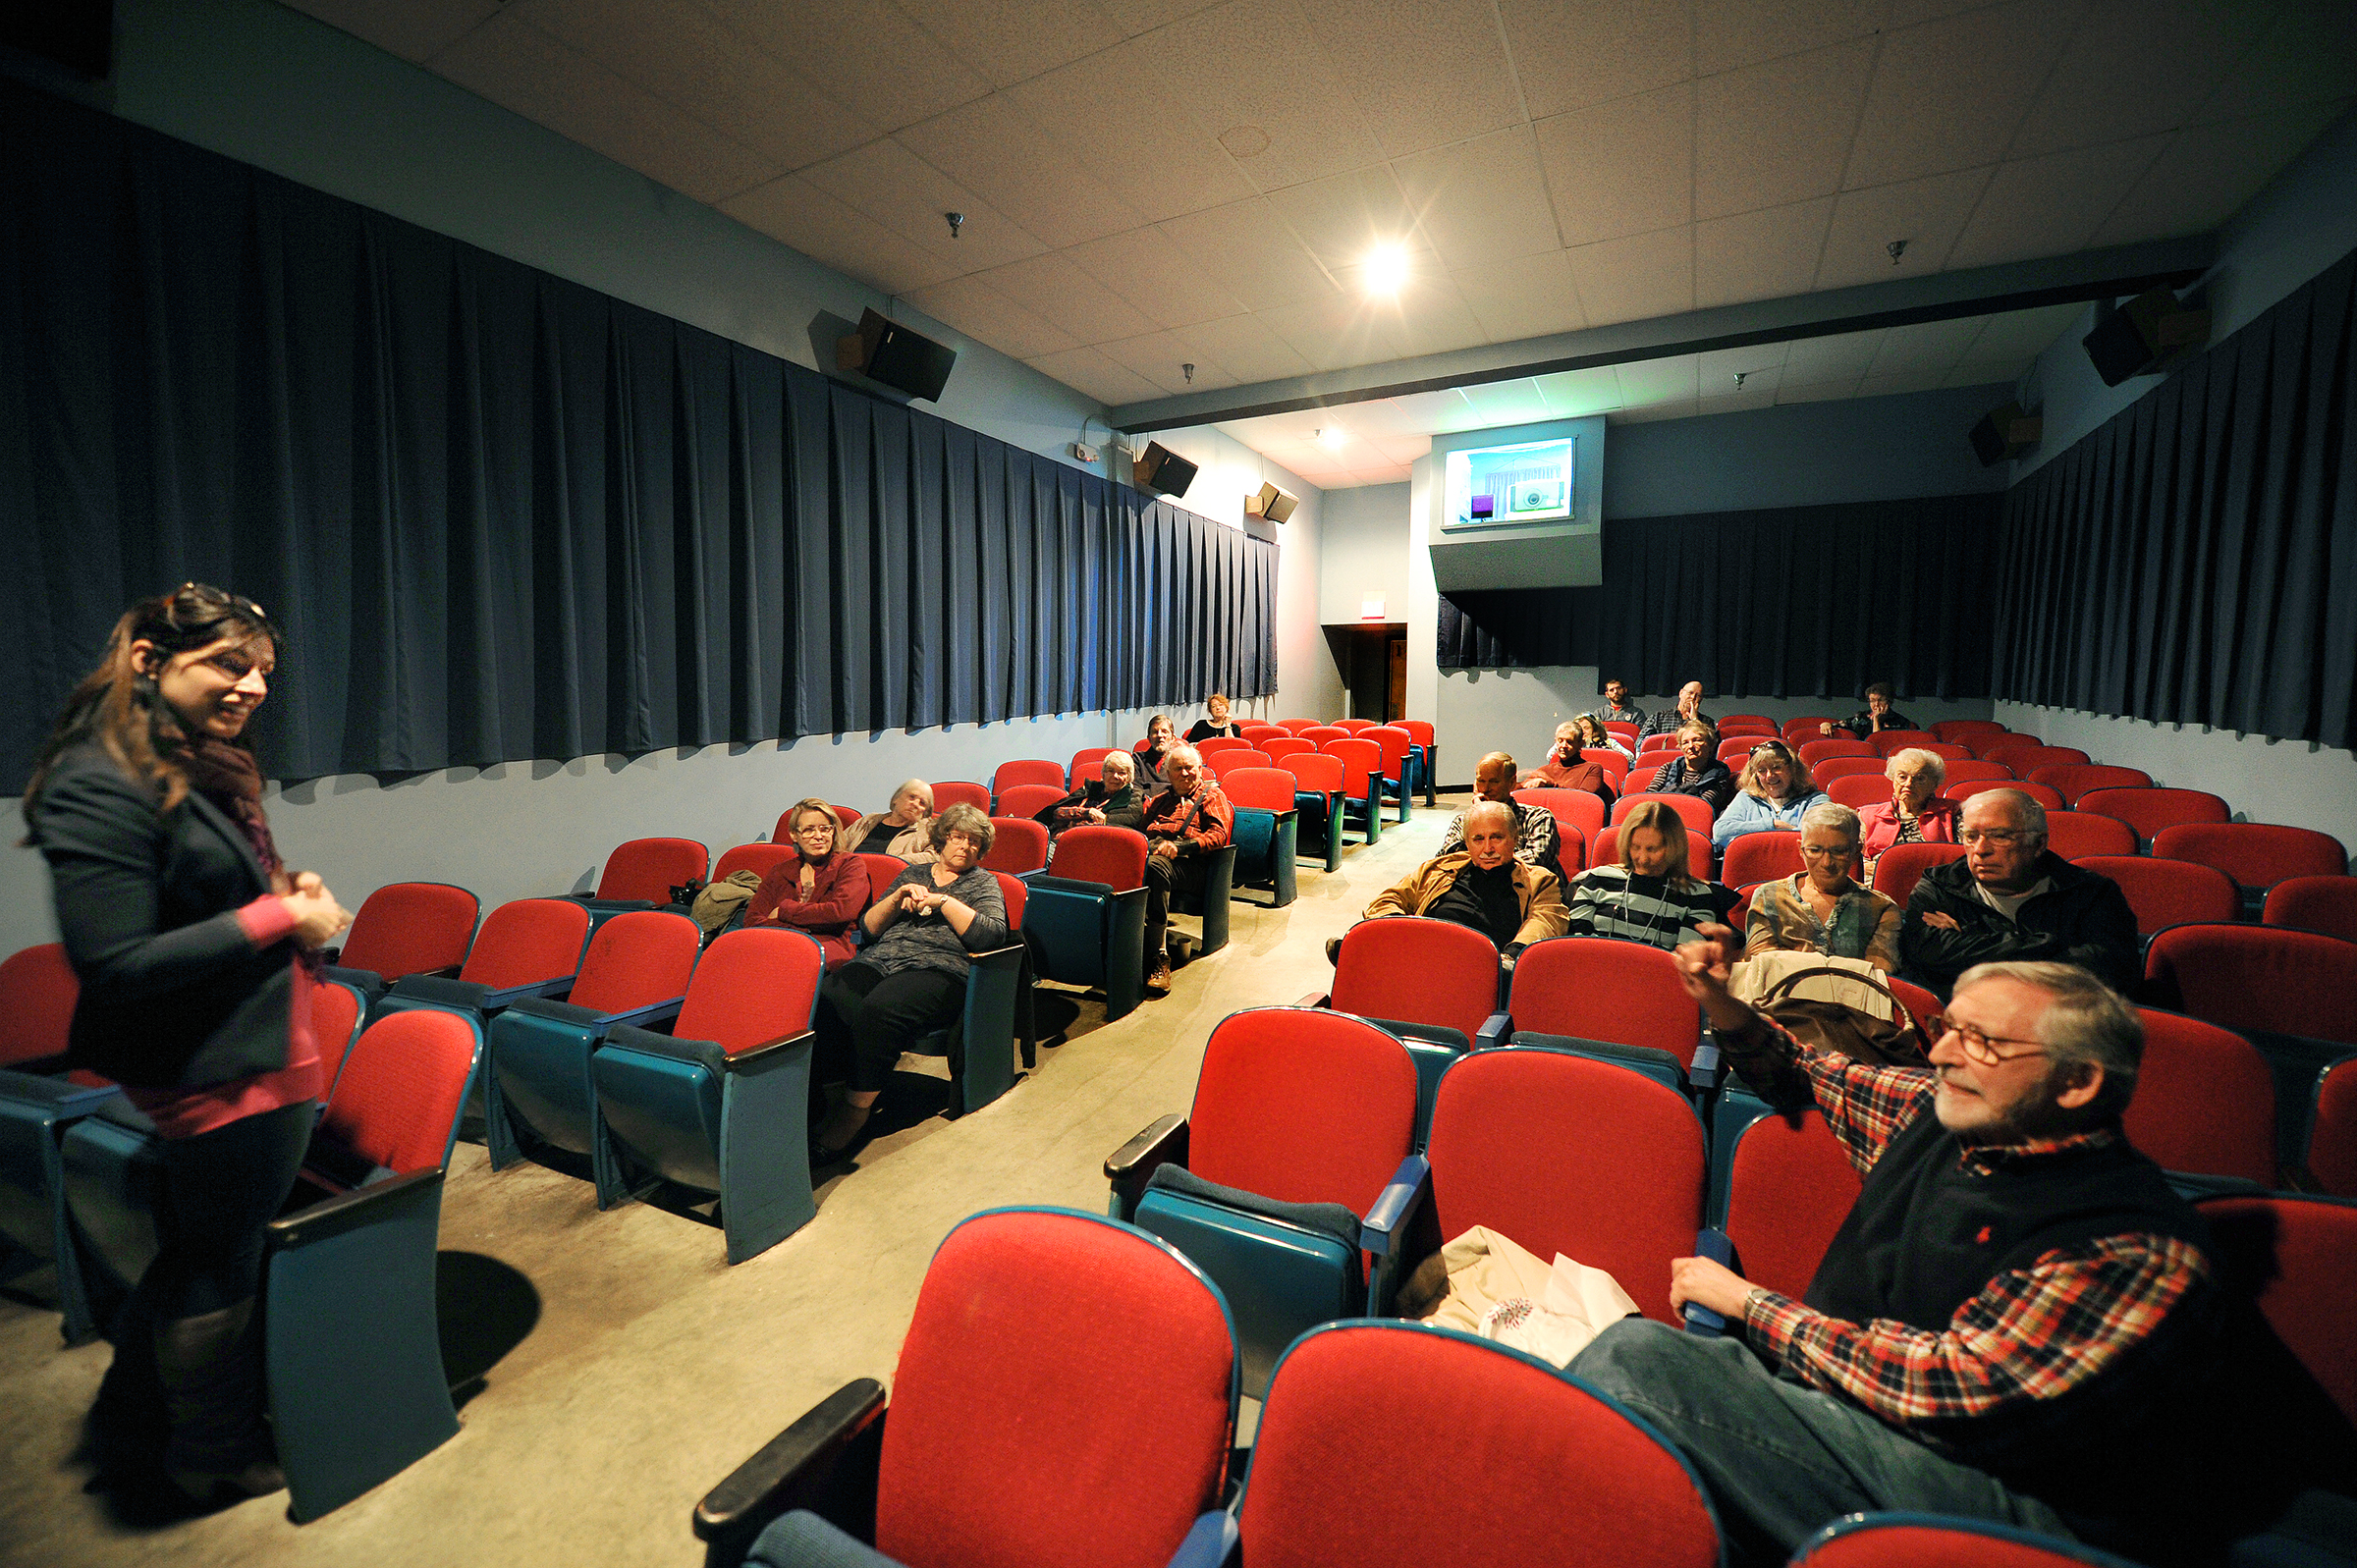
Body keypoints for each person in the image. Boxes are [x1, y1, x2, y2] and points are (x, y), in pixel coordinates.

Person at [1570, 948, 2357, 1568]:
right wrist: (1722, 1003)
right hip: (1874, 1424)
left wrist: (1751, 1304)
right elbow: (1808, 1070)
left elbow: (1953, 1389)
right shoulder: (1946, 1115)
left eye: (1980, 1039)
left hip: (2027, 1514)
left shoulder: (2134, 1246)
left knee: (1643, 1364)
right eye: (1949, 1025)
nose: (1943, 1052)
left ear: (2077, 1081)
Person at [24, 584, 354, 1505]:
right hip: (221, 1065)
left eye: (262, 671)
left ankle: (138, 1414)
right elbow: (118, 961)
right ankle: (216, 1447)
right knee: (220, 1257)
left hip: (251, 1038)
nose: (251, 685)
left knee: (198, 1243)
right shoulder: (100, 776)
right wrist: (280, 911)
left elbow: (201, 896)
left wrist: (285, 899)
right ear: (147, 660)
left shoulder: (189, 762)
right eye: (227, 663)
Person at [809, 803, 1009, 1162]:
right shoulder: (913, 873)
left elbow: (991, 937)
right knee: (829, 997)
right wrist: (898, 899)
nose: (965, 846)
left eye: (974, 842)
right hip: (882, 958)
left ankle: (855, 1111)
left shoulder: (983, 882)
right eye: (957, 837)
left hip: (940, 970)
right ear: (941, 839)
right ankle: (828, 1090)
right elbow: (869, 929)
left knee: (880, 1010)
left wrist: (945, 902)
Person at [1898, 788, 2139, 999]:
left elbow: (2108, 968)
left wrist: (1970, 939)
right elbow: (1928, 954)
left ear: (2038, 844)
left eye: (2000, 836)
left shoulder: (2091, 892)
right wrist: (2053, 943)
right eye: (1971, 837)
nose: (1981, 850)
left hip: (2059, 1024)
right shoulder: (1938, 885)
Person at [1348, 801, 1565, 971]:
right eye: (1478, 839)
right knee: (1360, 949)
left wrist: (1510, 956)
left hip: (1487, 965)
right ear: (1467, 842)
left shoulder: (1539, 880)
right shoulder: (1439, 868)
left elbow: (1546, 918)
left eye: (1496, 838)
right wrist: (1403, 933)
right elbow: (1387, 900)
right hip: (1424, 952)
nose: (1487, 848)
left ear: (1514, 839)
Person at [1745, 801, 1901, 971]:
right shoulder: (1769, 897)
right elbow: (1760, 967)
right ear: (1801, 849)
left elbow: (1878, 976)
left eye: (1839, 851)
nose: (1826, 863)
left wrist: (1793, 959)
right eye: (1814, 850)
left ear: (1856, 852)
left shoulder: (1881, 908)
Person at [1562, 799, 1731, 949]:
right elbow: (1577, 945)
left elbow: (1683, 964)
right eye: (1635, 847)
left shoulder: (1697, 897)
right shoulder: (1596, 879)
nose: (1642, 859)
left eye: (1652, 849)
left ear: (1673, 848)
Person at [1140, 744, 1233, 997]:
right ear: (1168, 774)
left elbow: (1219, 836)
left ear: (1200, 769)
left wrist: (1180, 848)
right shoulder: (1160, 801)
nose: (1185, 773)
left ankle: (1158, 957)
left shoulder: (1212, 796)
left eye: (1190, 767)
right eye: (1178, 769)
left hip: (1193, 865)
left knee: (1155, 867)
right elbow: (1139, 831)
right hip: (1155, 855)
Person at [744, 798, 872, 965]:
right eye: (809, 830)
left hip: (828, 948)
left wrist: (785, 911)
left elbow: (839, 912)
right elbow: (752, 920)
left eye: (825, 829)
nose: (818, 836)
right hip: (776, 944)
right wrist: (804, 929)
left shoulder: (850, 864)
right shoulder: (780, 871)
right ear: (794, 835)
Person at [1438, 751, 1560, 875]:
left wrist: (1481, 861)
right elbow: (1447, 859)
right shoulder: (1463, 820)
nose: (1485, 789)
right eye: (1481, 781)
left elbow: (1537, 860)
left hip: (1526, 891)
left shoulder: (1538, 818)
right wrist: (1480, 817)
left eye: (1494, 782)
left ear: (1512, 783)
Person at [1713, 739, 1828, 849]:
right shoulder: (1747, 797)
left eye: (1776, 768)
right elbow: (1720, 832)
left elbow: (1817, 836)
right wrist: (1774, 825)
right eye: (1762, 770)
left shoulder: (1816, 799)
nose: (1769, 776)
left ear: (1793, 769)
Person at [1856, 747, 1959, 865]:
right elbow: (1853, 861)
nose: (1909, 783)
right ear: (1893, 779)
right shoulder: (1868, 816)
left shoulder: (1952, 813)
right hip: (1878, 879)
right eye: (1902, 777)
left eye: (1920, 778)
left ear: (1935, 784)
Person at [1035, 749, 1146, 838]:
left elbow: (1121, 823)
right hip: (1057, 838)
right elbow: (1057, 813)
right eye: (1111, 771)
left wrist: (1074, 822)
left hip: (1089, 845)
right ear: (1103, 774)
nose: (1115, 776)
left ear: (1129, 777)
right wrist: (1088, 813)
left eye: (1122, 773)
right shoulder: (1090, 789)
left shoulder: (1133, 796)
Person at [1643, 720, 1736, 817]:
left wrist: (1669, 793)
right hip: (1662, 817)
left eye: (1697, 740)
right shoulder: (1668, 768)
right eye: (1685, 743)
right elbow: (1649, 798)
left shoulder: (1720, 773)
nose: (1691, 746)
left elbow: (1704, 804)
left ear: (1710, 745)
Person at [1517, 721, 1617, 802]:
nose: (1563, 746)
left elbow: (1585, 799)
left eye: (1569, 742)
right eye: (1560, 741)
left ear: (1580, 744)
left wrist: (1550, 784)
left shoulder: (1592, 769)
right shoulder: (1544, 770)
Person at [842, 780, 936, 862]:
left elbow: (934, 856)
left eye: (922, 803)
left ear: (925, 812)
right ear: (896, 799)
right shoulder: (869, 820)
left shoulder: (927, 831)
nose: (915, 804)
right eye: (912, 797)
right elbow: (839, 844)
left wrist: (894, 862)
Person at [1821, 680, 1916, 738]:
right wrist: (1826, 724)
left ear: (1889, 701)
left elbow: (1878, 742)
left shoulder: (1901, 722)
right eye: (1872, 701)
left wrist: (1876, 720)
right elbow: (1841, 725)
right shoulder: (1861, 718)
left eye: (1880, 700)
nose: (1876, 705)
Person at [1640, 680, 1713, 740]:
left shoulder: (1707, 722)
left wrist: (1695, 720)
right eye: (1690, 693)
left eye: (1698, 695)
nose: (1693, 697)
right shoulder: (1658, 717)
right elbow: (1641, 742)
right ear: (1681, 693)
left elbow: (1710, 747)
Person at [1134, 714, 1178, 789]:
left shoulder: (1178, 761)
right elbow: (1135, 788)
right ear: (1149, 738)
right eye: (1155, 732)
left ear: (1173, 738)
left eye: (1164, 731)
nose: (1160, 735)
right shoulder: (1138, 759)